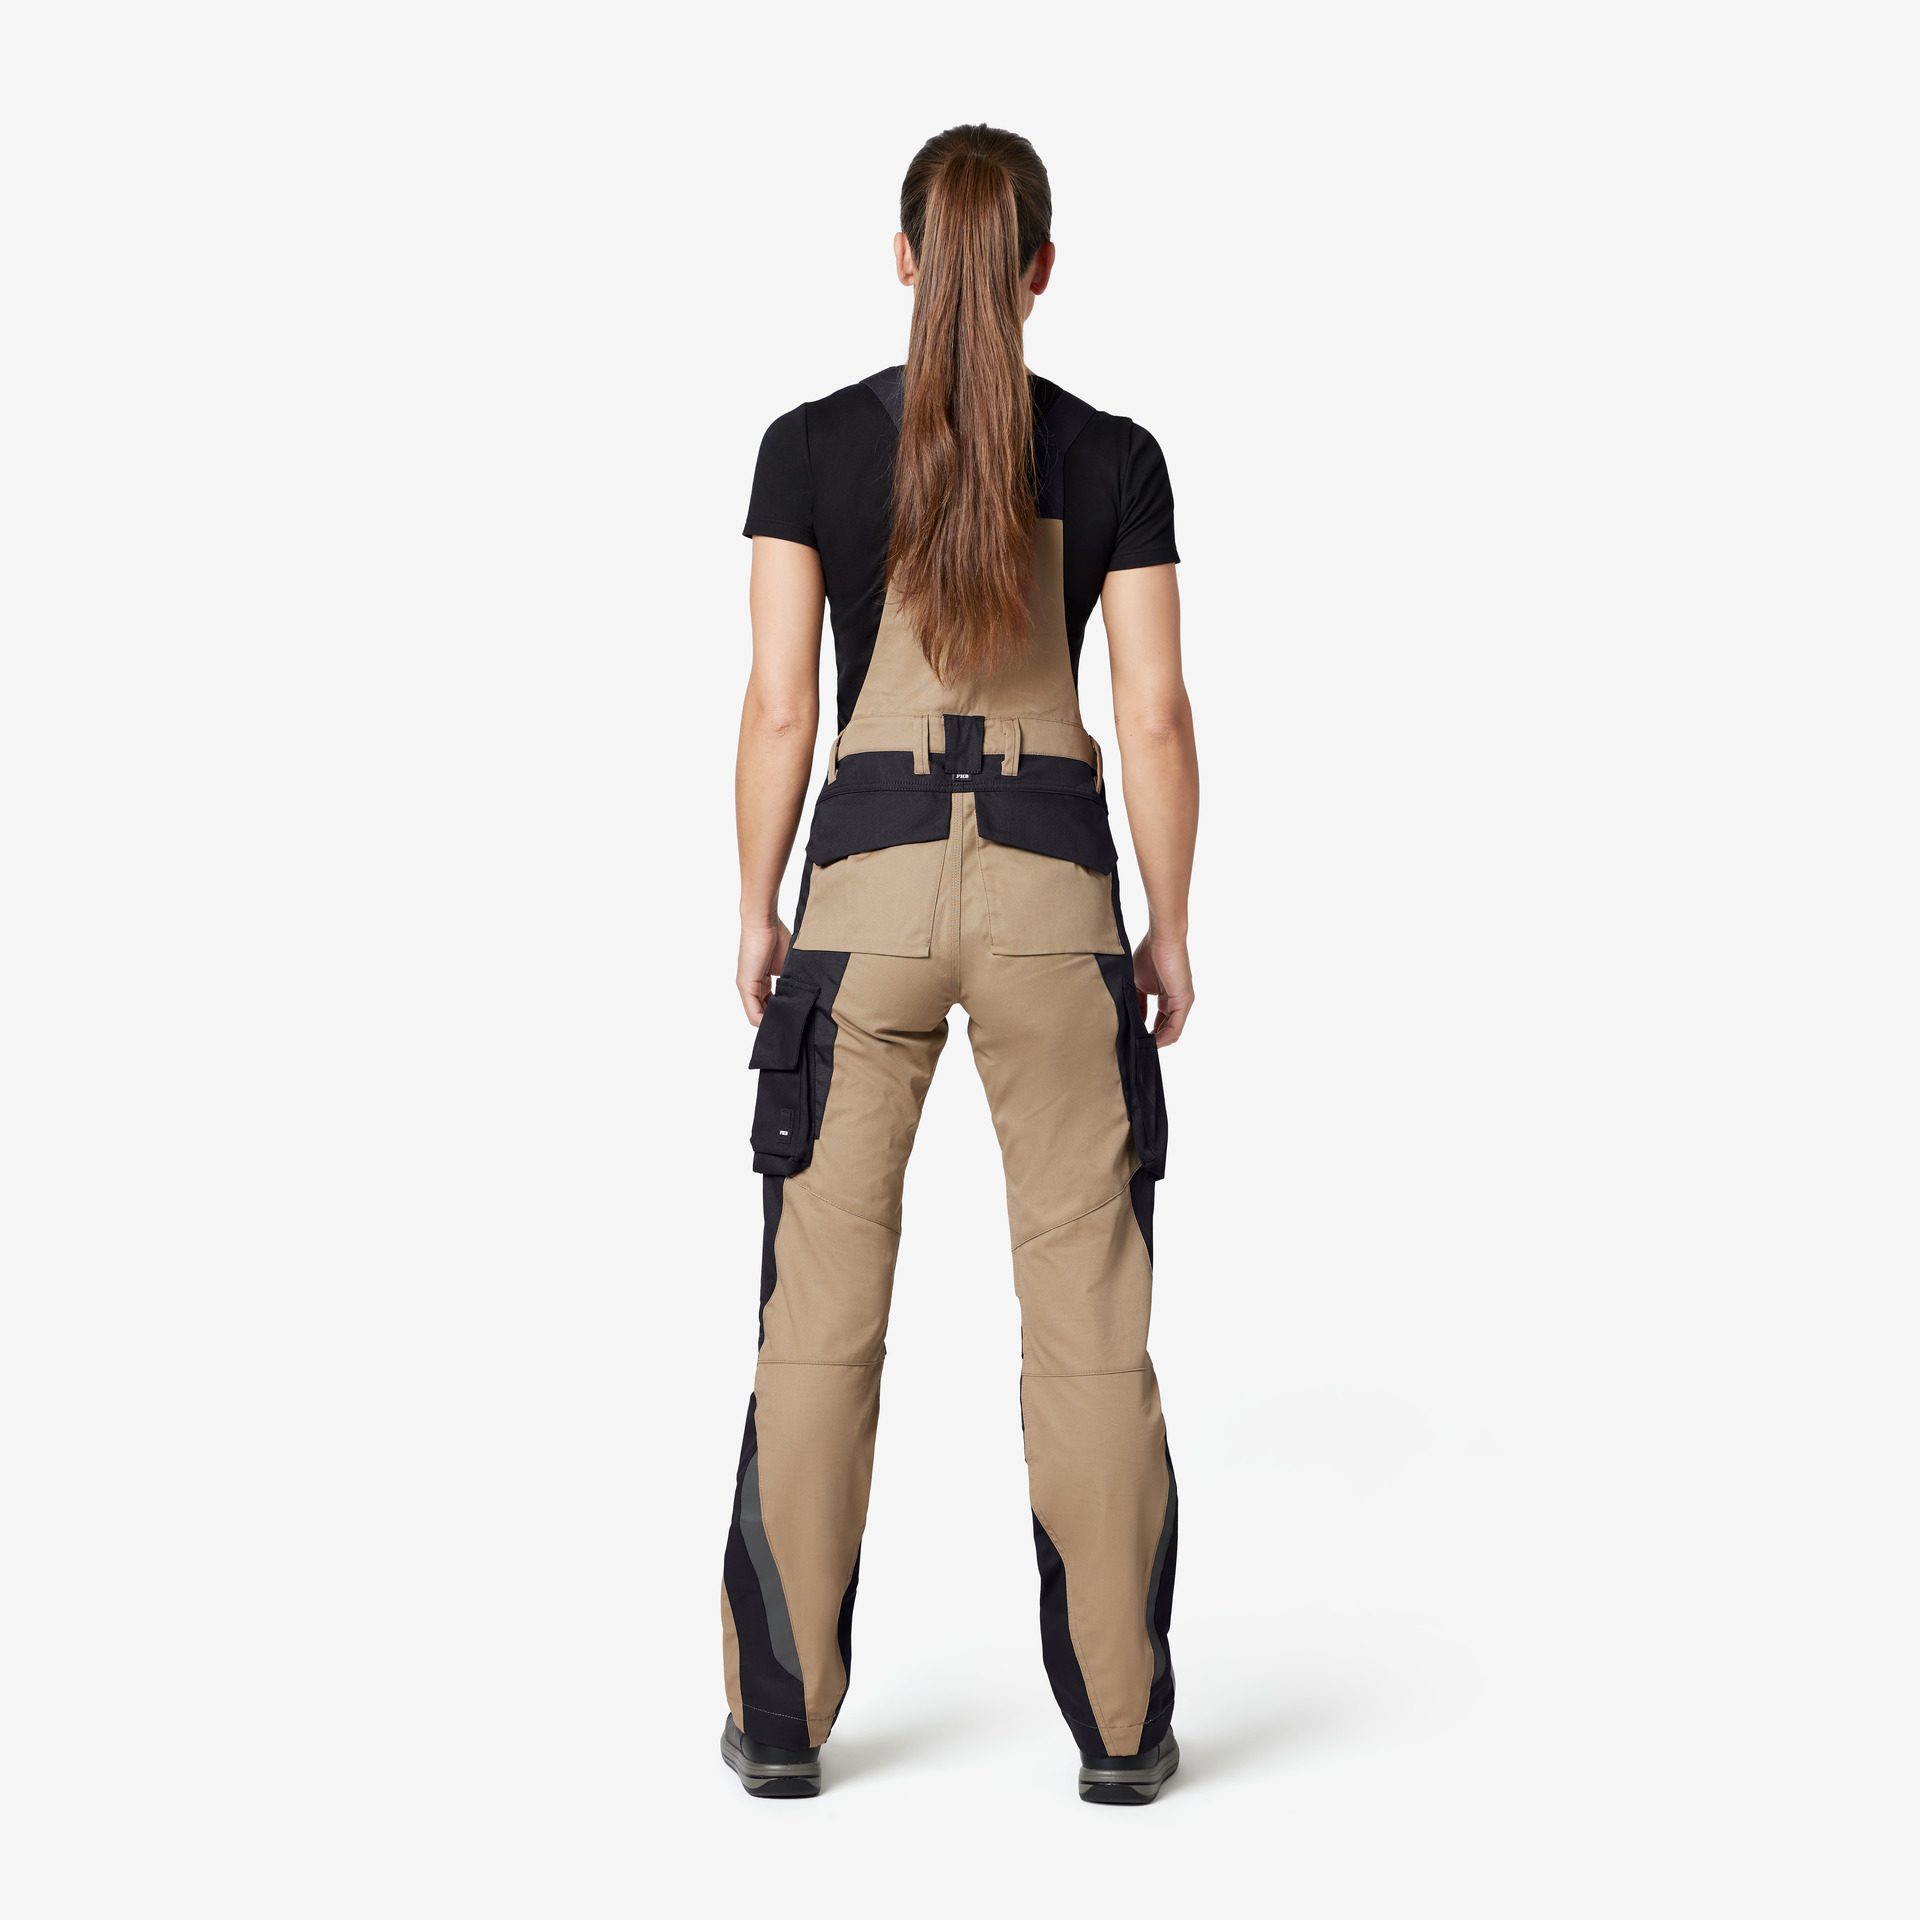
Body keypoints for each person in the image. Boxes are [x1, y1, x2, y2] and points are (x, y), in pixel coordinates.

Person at [719, 123, 1199, 1805]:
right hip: (1060, 915)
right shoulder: (1117, 458)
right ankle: (1123, 1731)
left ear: (908, 259)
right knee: (1089, 1320)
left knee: (818, 1319)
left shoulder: (805, 450)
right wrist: (1169, 923)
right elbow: (1152, 712)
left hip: (862, 909)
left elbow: (783, 706)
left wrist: (760, 906)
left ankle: (782, 1722)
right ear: (1041, 270)